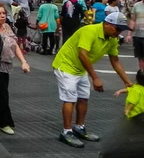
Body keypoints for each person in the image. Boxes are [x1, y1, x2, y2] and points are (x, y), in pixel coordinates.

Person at [53, 12, 133, 148]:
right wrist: (95, 78)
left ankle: (79, 127)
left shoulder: (112, 39)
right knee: (70, 98)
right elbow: (82, 55)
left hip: (80, 68)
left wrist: (127, 82)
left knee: (84, 97)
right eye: (117, 28)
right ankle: (66, 132)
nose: (119, 32)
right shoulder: (89, 31)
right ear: (107, 24)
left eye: (121, 30)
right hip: (66, 65)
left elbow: (115, 61)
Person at [0, 4, 30, 135]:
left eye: (4, 13)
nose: (2, 15)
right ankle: (5, 122)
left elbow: (15, 45)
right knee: (2, 94)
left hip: (7, 65)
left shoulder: (7, 27)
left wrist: (24, 62)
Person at [128, 0, 144, 71]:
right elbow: (132, 20)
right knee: (140, 57)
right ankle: (142, 74)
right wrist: (129, 34)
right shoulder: (136, 5)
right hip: (138, 35)